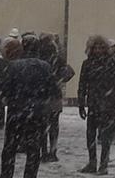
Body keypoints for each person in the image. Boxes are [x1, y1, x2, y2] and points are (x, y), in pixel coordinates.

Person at [0, 35, 54, 178]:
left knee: (10, 147)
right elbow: (51, 89)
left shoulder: (13, 66)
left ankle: (6, 174)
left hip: (16, 111)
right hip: (37, 113)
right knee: (33, 149)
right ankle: (30, 175)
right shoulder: (45, 66)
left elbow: (5, 89)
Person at [78, 34, 115, 174]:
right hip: (94, 103)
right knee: (91, 134)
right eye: (95, 47)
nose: (97, 50)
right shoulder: (87, 64)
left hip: (108, 104)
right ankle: (92, 162)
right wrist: (81, 103)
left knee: (105, 136)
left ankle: (103, 164)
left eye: (100, 47)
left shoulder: (112, 63)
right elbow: (82, 84)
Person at [38, 33, 73, 163]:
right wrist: (59, 81)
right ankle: (53, 150)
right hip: (54, 95)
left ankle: (44, 151)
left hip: (42, 96)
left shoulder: (40, 59)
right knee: (54, 124)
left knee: (42, 125)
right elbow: (69, 72)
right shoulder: (58, 58)